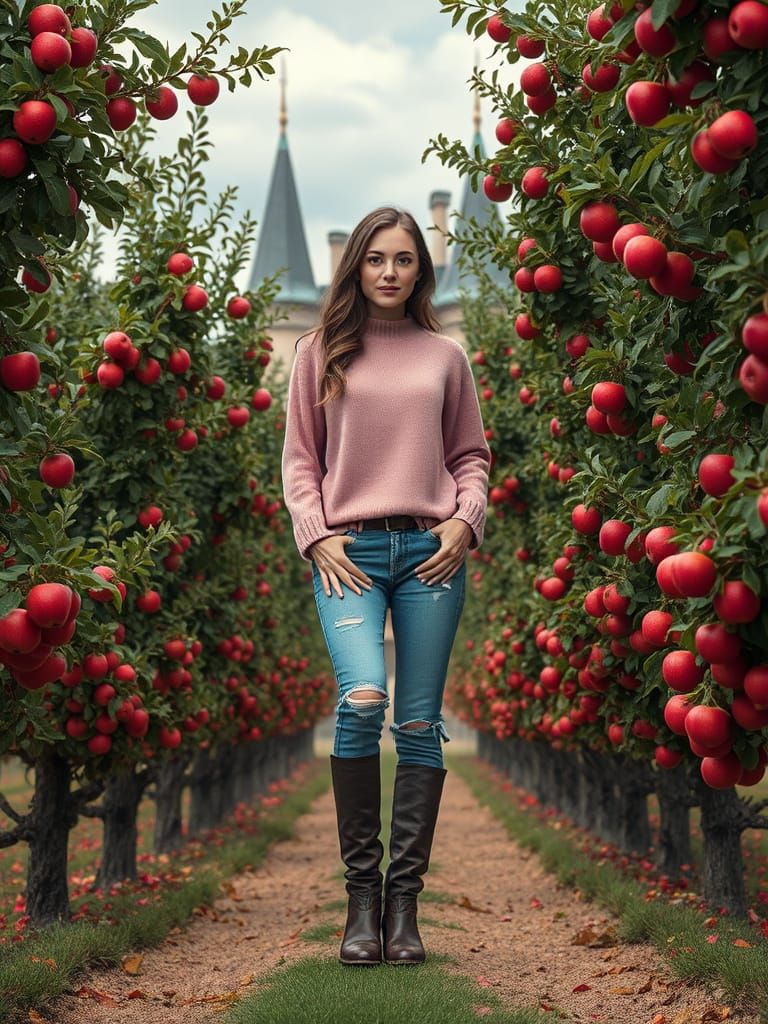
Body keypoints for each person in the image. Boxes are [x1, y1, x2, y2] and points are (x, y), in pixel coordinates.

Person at [280, 205, 491, 967]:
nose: (391, 272)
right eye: (377, 259)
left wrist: (466, 521)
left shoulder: (445, 357)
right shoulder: (319, 351)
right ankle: (359, 899)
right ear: (357, 267)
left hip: (432, 552)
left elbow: (470, 455)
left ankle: (403, 909)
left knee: (419, 722)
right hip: (352, 554)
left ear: (420, 269)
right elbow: (301, 461)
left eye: (404, 259)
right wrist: (316, 534)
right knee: (364, 695)